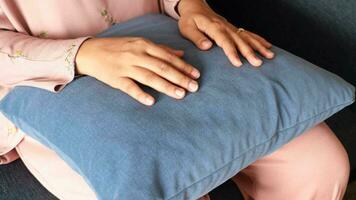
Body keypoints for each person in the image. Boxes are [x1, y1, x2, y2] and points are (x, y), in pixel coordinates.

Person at [0, 0, 350, 199]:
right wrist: (82, 54)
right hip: (50, 84)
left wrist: (192, 7)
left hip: (169, 44)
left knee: (318, 162)